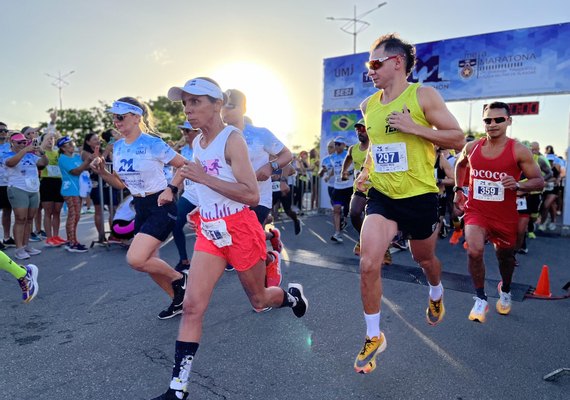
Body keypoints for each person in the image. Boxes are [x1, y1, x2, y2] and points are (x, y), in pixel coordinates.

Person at [150, 77, 307, 400]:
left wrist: (203, 178)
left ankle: (290, 296)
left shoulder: (232, 140)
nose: (189, 110)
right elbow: (191, 169)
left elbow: (251, 194)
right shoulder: (198, 143)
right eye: (185, 104)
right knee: (193, 306)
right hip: (209, 231)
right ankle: (178, 388)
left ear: (217, 104)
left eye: (196, 102)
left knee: (259, 300)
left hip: (240, 227)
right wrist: (172, 186)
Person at [353, 33, 464, 374]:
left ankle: (435, 291)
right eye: (368, 64)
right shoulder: (368, 106)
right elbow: (376, 147)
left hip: (420, 195)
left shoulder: (423, 95)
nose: (369, 70)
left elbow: (458, 138)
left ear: (397, 62)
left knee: (424, 258)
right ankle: (374, 335)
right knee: (368, 263)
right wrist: (364, 172)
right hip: (384, 195)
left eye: (375, 63)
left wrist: (415, 128)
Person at [89, 97, 188, 320]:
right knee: (148, 262)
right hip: (140, 206)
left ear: (136, 117)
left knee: (135, 259)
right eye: (113, 117)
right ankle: (180, 300)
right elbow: (120, 184)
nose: (115, 121)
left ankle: (181, 279)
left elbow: (185, 165)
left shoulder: (153, 143)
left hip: (161, 204)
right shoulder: (118, 147)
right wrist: (103, 172)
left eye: (120, 116)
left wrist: (171, 188)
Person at [454, 101, 544, 322]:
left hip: (504, 215)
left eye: (498, 120)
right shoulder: (472, 147)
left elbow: (539, 181)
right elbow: (460, 165)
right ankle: (481, 298)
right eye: (488, 120)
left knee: (505, 258)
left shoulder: (519, 150)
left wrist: (518, 184)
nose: (492, 124)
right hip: (477, 211)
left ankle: (505, 289)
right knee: (474, 250)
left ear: (508, 121)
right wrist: (458, 190)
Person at [221, 89, 293, 283]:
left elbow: (287, 155)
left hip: (259, 197)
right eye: (222, 105)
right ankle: (269, 240)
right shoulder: (218, 136)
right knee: (243, 242)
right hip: (231, 199)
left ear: (243, 107)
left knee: (250, 243)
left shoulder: (260, 134)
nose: (225, 110)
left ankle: (265, 276)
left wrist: (271, 166)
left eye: (231, 105)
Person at [3, 132, 49, 260]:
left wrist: (41, 151)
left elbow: (44, 163)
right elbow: (10, 163)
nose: (22, 144)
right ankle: (19, 249)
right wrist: (25, 150)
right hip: (18, 188)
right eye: (19, 142)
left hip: (33, 189)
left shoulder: (30, 155)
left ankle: (26, 245)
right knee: (20, 218)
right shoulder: (7, 154)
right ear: (12, 143)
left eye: (24, 142)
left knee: (29, 219)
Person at [172, 121, 200, 273]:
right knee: (176, 224)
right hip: (189, 194)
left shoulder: (206, 146)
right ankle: (184, 261)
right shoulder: (183, 150)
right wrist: (174, 189)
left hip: (207, 195)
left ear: (197, 131)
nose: (185, 134)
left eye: (188, 131)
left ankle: (228, 259)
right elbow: (181, 171)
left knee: (214, 228)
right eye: (183, 131)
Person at [58, 136, 94, 252]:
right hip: (70, 190)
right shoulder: (63, 158)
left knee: (76, 216)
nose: (72, 145)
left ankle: (73, 241)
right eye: (68, 144)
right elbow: (76, 171)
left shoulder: (76, 157)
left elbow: (85, 167)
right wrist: (87, 161)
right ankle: (71, 243)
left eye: (72, 143)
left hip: (78, 190)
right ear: (63, 148)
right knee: (73, 216)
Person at [39, 131, 66, 247]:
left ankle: (56, 236)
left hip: (58, 182)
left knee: (57, 211)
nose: (50, 141)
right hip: (46, 182)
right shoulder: (41, 152)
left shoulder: (57, 153)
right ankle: (49, 238)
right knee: (48, 211)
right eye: (48, 139)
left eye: (52, 139)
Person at [329, 136, 353, 243]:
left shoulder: (349, 155)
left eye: (339, 144)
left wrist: (349, 173)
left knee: (353, 212)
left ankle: (363, 234)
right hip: (337, 187)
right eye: (335, 144)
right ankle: (337, 233)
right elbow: (335, 170)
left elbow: (357, 167)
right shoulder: (332, 157)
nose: (336, 146)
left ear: (344, 145)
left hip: (349, 187)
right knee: (336, 209)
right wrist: (328, 176)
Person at [0, 122, 15, 249]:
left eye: (5, 130)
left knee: (7, 211)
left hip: (8, 183)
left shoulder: (9, 146)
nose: (4, 133)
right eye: (1, 131)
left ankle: (6, 237)